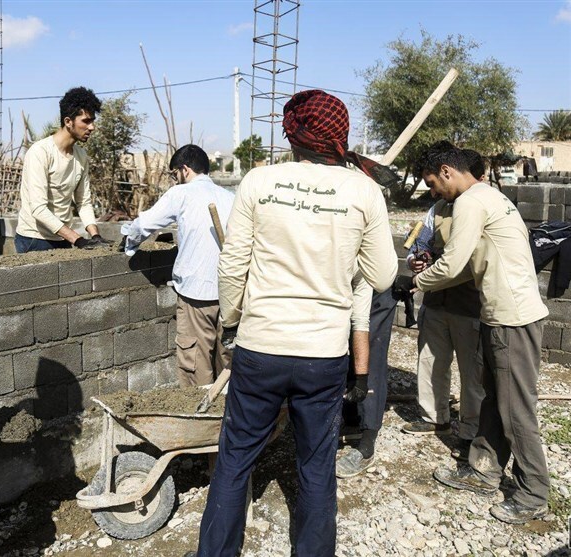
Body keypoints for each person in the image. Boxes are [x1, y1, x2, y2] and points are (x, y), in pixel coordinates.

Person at [185, 90, 398, 557]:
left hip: (261, 346)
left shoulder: (259, 182)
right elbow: (383, 275)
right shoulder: (363, 190)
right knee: (317, 466)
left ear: (293, 134)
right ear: (338, 136)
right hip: (323, 353)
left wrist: (236, 320)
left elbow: (232, 267)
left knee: (235, 460)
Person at [413, 142, 550, 525]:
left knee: (515, 408)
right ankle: (485, 469)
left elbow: (454, 263)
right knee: (492, 398)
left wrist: (416, 282)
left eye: (433, 183)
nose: (434, 193)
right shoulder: (492, 196)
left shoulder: (471, 202)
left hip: (512, 318)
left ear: (446, 171)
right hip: (500, 313)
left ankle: (534, 492)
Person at [121, 144, 235, 386]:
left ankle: (200, 418)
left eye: (174, 175)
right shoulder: (230, 198)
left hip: (196, 295)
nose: (175, 180)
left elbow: (144, 225)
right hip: (231, 297)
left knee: (195, 365)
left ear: (185, 170)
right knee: (228, 364)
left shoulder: (180, 194)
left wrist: (128, 240)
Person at [402, 148, 487, 463]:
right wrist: (416, 261)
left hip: (470, 305)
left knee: (472, 372)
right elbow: (416, 246)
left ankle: (470, 431)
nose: (432, 190)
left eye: (433, 183)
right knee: (430, 360)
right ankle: (434, 416)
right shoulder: (435, 209)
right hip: (436, 301)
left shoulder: (479, 206)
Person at [16, 86, 111, 251]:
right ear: (68, 122)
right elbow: (38, 208)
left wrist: (95, 236)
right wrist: (79, 240)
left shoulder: (80, 156)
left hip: (64, 237)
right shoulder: (40, 152)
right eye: (86, 121)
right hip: (35, 238)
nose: (92, 127)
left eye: (93, 121)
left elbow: (83, 201)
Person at [337, 284, 398, 477]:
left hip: (376, 288)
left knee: (371, 353)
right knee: (340, 345)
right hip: (344, 280)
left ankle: (367, 441)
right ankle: (351, 419)